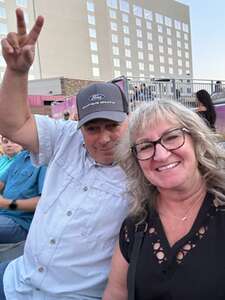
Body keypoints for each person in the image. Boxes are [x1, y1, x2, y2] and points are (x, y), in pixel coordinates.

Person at [0, 8, 129, 300]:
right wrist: (17, 71)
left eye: (113, 125)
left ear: (128, 120)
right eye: (93, 128)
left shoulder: (145, 166)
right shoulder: (66, 137)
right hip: (17, 278)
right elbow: (12, 124)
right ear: (80, 126)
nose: (104, 137)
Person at [103, 99, 225, 300]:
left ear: (196, 140)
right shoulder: (136, 225)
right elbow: (117, 292)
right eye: (145, 146)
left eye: (172, 137)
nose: (160, 155)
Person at [0, 149, 47, 243]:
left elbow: (44, 201)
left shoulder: (45, 161)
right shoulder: (21, 156)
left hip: (21, 222)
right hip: (3, 214)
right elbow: (2, 183)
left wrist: (6, 204)